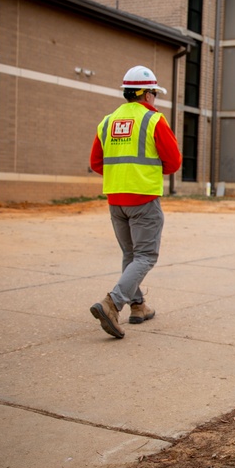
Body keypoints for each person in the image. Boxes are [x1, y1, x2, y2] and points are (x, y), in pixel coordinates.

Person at [88, 65, 182, 339]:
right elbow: (174, 162)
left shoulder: (107, 121)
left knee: (131, 255)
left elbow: (96, 162)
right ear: (147, 94)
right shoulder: (153, 120)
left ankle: (138, 306)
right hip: (143, 198)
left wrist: (122, 175)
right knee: (145, 256)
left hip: (116, 199)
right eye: (154, 93)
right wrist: (144, 173)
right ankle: (113, 303)